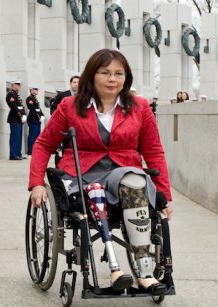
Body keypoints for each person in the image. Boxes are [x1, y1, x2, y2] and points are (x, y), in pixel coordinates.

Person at [29, 49, 173, 295]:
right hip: (80, 174)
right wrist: (37, 183)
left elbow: (154, 150)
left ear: (126, 78)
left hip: (123, 174)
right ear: (91, 75)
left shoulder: (139, 106)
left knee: (132, 179)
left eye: (119, 73)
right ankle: (115, 267)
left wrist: (164, 194)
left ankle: (145, 270)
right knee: (111, 187)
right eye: (105, 73)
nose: (112, 79)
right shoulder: (70, 106)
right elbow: (43, 144)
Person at [6, 79, 26, 160]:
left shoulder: (17, 95)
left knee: (19, 137)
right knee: (15, 137)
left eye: (19, 84)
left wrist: (23, 114)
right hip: (14, 118)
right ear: (13, 85)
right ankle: (13, 154)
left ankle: (18, 153)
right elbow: (13, 107)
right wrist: (21, 115)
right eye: (17, 84)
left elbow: (21, 107)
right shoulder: (10, 94)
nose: (19, 86)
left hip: (19, 118)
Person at [25, 85, 45, 155]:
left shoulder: (35, 99)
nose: (37, 91)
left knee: (37, 136)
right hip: (33, 119)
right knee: (32, 136)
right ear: (31, 90)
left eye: (37, 89)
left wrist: (42, 115)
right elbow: (32, 109)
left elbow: (38, 109)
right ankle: (30, 151)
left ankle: (35, 150)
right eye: (35, 89)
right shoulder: (29, 99)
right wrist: (39, 116)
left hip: (37, 120)